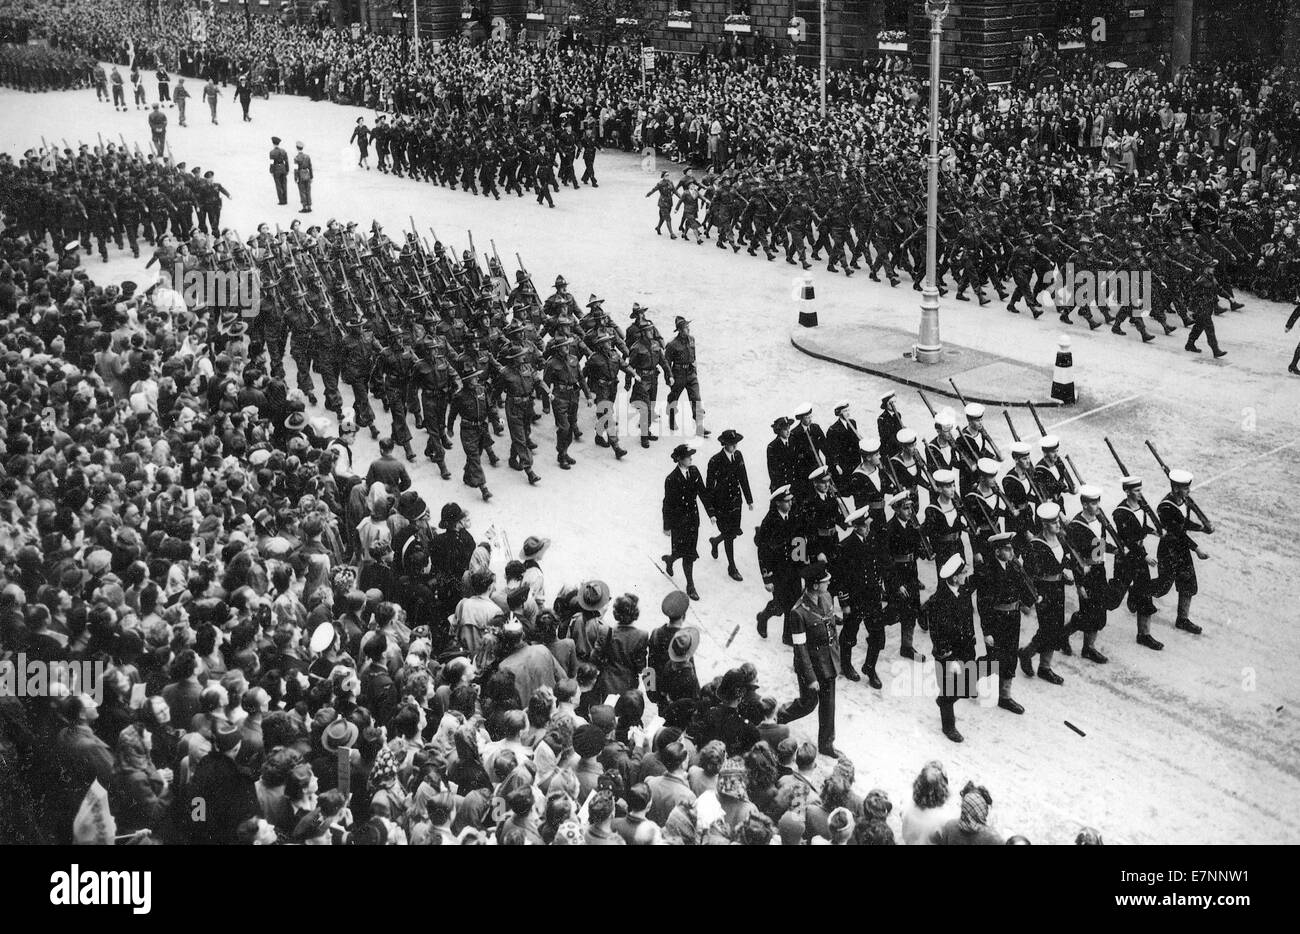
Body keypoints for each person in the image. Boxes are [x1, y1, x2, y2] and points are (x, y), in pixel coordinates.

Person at [776, 561, 843, 758]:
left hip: (828, 662)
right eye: (825, 581)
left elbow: (832, 630)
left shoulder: (827, 597)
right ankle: (783, 714)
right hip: (811, 667)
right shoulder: (798, 612)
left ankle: (826, 744)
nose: (829, 583)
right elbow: (801, 649)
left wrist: (836, 657)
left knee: (829, 704)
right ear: (814, 585)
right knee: (808, 703)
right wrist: (811, 677)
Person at [926, 554, 979, 744]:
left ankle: (943, 701)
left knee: (964, 684)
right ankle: (948, 726)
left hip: (965, 647)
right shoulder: (938, 600)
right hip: (948, 653)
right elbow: (937, 632)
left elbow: (968, 617)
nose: (966, 575)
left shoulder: (962, 590)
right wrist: (947, 655)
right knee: (949, 688)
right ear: (955, 577)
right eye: (963, 572)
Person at [1156, 468, 1210, 636]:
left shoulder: (1184, 501)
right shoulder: (1165, 507)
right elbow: (1177, 532)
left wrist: (1202, 528)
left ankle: (1182, 619)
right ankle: (1137, 593)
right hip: (1169, 549)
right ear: (1176, 488)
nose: (1189, 491)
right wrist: (1196, 548)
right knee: (1163, 587)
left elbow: (1185, 523)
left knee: (1188, 583)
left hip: (1181, 548)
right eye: (1185, 488)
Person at [662, 444, 714, 601]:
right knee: (685, 553)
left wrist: (711, 513)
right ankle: (686, 580)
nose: (691, 458)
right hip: (679, 523)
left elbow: (703, 493)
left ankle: (675, 566)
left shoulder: (694, 471)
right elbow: (667, 503)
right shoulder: (671, 479)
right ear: (679, 459)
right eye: (687, 456)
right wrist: (667, 526)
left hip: (692, 520)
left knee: (687, 553)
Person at [705, 428, 753, 582]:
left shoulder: (738, 456)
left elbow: (743, 477)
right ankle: (732, 567)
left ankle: (715, 541)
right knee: (729, 536)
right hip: (722, 504)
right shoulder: (715, 461)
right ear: (724, 444)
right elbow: (709, 487)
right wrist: (711, 511)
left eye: (736, 443)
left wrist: (749, 499)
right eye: (732, 444)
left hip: (736, 502)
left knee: (731, 533)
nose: (735, 446)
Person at [293, 141, 314, 213]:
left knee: (302, 191)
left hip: (300, 174)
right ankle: (309, 206)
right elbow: (310, 167)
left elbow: (295, 169)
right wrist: (311, 177)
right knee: (308, 191)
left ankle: (304, 206)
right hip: (307, 174)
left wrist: (296, 178)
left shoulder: (296, 158)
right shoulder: (307, 156)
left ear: (297, 148)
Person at [269, 136, 290, 206]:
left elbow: (271, 163)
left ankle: (281, 200)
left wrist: (271, 171)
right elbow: (286, 161)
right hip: (283, 168)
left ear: (273, 143)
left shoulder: (272, 152)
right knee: (284, 184)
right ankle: (285, 199)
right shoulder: (283, 151)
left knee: (278, 185)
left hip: (276, 169)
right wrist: (287, 169)